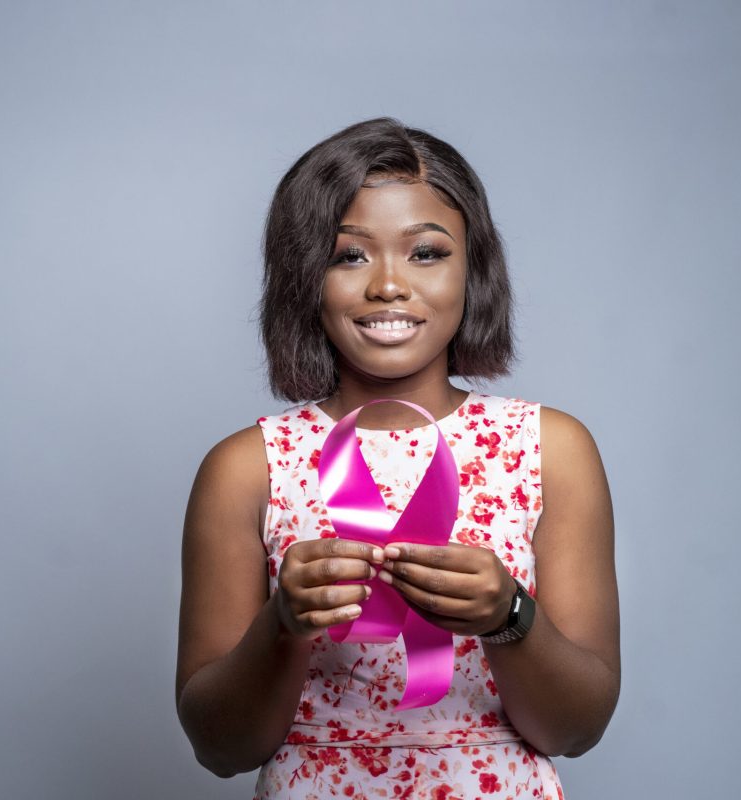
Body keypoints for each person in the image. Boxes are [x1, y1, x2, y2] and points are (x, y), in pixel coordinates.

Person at [175, 117, 619, 799]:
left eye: (427, 252)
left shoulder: (552, 450)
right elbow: (220, 748)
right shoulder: (246, 468)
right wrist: (282, 625)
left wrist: (509, 617)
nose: (387, 285)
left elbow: (576, 730)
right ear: (305, 278)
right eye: (349, 256)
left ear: (474, 270)